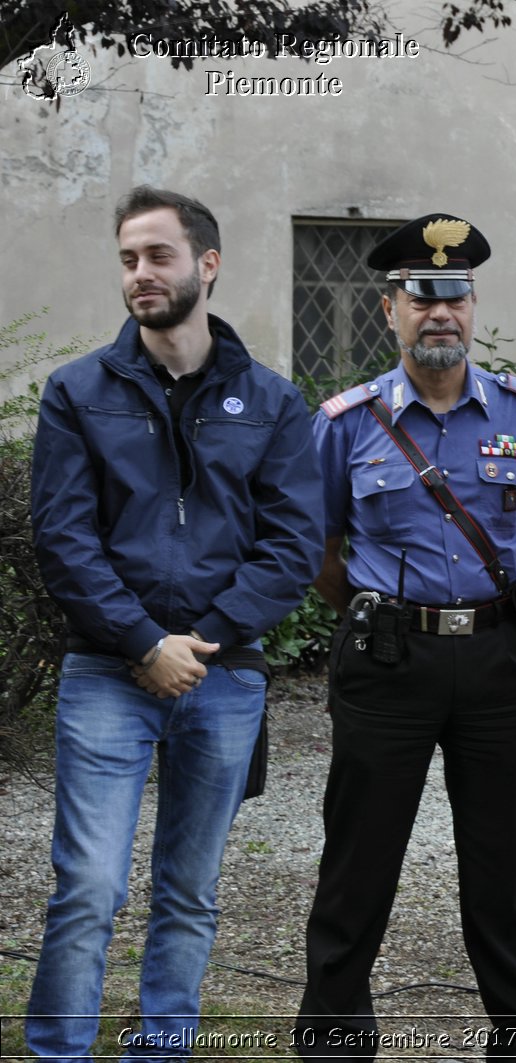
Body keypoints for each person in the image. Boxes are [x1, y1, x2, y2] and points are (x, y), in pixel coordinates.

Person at [27, 185, 324, 1059]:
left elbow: (293, 543)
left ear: (208, 264)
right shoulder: (78, 390)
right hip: (107, 671)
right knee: (87, 886)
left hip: (223, 676)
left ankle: (162, 1048)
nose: (140, 274)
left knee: (189, 890)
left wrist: (205, 639)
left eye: (158, 255)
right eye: (128, 259)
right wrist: (141, 642)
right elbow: (63, 536)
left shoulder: (272, 401)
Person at [293, 214, 516, 1061]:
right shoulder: (346, 423)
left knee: (503, 866)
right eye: (422, 295)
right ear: (391, 310)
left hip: (496, 660)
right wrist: (392, 608)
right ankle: (335, 1037)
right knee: (359, 860)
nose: (439, 311)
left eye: (453, 293)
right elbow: (321, 549)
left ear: (473, 304)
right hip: (387, 660)